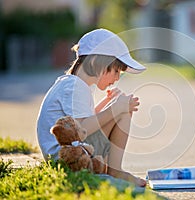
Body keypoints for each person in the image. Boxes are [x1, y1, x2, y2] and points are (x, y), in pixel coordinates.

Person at [36, 29, 147, 187]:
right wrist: (114, 109)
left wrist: (107, 103)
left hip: (66, 153)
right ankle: (114, 171)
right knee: (122, 112)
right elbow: (82, 129)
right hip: (69, 157)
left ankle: (111, 169)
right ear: (95, 62)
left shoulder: (73, 84)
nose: (117, 78)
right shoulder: (75, 87)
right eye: (116, 71)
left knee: (118, 108)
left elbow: (83, 122)